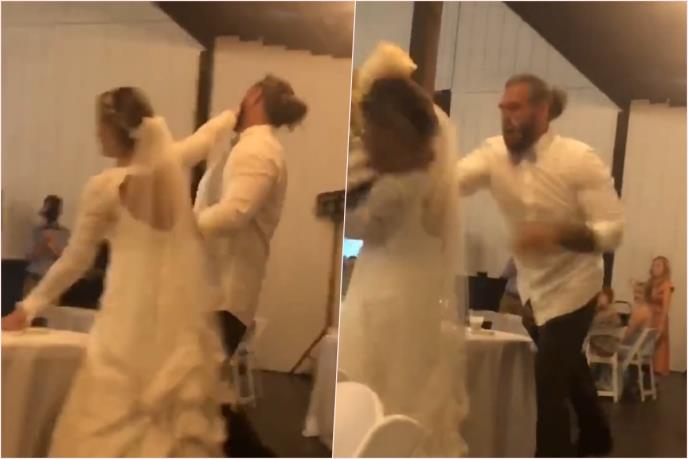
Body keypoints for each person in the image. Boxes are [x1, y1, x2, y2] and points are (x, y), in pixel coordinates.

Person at [2, 87, 236, 456]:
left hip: (124, 320)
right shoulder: (170, 168)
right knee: (165, 419)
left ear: (113, 129)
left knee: (107, 413)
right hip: (171, 319)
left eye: (99, 125)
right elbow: (203, 141)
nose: (96, 133)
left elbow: (75, 260)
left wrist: (28, 307)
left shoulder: (104, 188)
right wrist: (230, 118)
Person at [456, 74, 624, 457]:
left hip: (576, 286)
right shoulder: (492, 154)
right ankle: (598, 437)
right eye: (503, 107)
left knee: (547, 388)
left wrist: (557, 233)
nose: (506, 115)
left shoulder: (578, 159)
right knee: (569, 372)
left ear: (542, 110)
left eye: (515, 107)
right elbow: (454, 181)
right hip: (534, 290)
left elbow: (612, 229)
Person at [337, 43, 467, 456]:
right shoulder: (422, 170)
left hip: (387, 294)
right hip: (412, 290)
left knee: (380, 388)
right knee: (409, 390)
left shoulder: (395, 185)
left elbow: (357, 225)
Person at [194, 74, 307, 356]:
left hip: (222, 298)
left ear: (255, 96)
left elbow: (234, 213)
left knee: (188, 380)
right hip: (212, 294)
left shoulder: (258, 150)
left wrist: (181, 224)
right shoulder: (250, 147)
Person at [629, 256, 673, 375]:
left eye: (658, 265)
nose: (655, 268)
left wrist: (661, 324)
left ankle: (652, 376)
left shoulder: (666, 285)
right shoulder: (650, 283)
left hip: (659, 318)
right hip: (648, 317)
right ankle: (640, 373)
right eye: (654, 265)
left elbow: (666, 306)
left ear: (665, 269)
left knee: (656, 350)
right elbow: (642, 298)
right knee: (640, 344)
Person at [24, 195, 70, 295]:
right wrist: (43, 245)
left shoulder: (65, 233)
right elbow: (29, 257)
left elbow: (66, 258)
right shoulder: (36, 231)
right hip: (35, 278)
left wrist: (53, 246)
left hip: (53, 281)